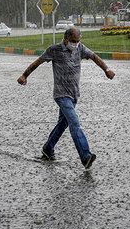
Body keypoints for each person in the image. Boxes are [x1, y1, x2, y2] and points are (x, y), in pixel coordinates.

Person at [17, 27, 115, 169]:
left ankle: (48, 148)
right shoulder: (54, 50)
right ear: (66, 39)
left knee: (63, 124)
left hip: (74, 94)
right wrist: (24, 75)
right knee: (74, 122)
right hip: (61, 95)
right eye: (74, 41)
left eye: (78, 41)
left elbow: (94, 57)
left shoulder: (80, 48)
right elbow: (37, 62)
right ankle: (85, 156)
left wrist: (106, 70)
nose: (76, 44)